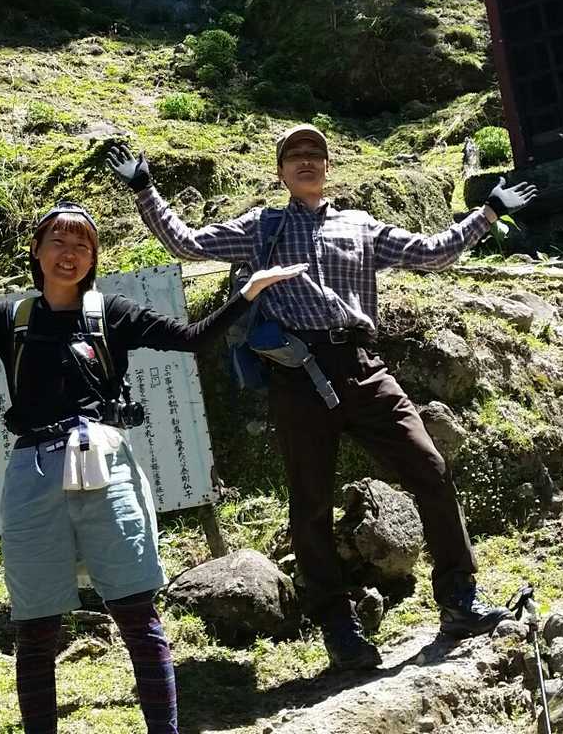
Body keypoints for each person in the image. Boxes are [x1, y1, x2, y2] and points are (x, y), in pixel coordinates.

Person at [0, 206, 307, 734]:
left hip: (106, 464)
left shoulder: (112, 312)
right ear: (36, 250)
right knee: (36, 626)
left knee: (137, 613)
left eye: (82, 246)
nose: (68, 254)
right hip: (33, 470)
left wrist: (248, 293)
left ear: (94, 259)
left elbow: (191, 338)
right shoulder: (12, 316)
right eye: (57, 241)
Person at [106, 124, 539, 671]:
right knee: (310, 502)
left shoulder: (360, 225)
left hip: (362, 366)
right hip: (296, 374)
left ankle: (459, 599)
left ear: (328, 166)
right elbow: (186, 243)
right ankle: (338, 627)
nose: (306, 160)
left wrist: (489, 211)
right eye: (294, 155)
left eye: (315, 153)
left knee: (428, 467)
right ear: (280, 171)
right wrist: (144, 187)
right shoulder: (260, 227)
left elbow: (432, 253)